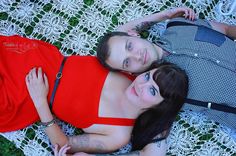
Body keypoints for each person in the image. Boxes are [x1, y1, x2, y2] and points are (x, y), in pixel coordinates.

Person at [0, 35, 188, 155]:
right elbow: (121, 39)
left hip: (26, 94)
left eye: (152, 90)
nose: (141, 84)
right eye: (147, 76)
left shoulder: (119, 134)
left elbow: (64, 145)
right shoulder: (128, 69)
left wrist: (40, 101)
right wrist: (163, 15)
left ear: (160, 106)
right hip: (40, 58)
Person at [96, 7, 236, 131]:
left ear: (133, 34)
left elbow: (226, 30)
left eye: (129, 46)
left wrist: (165, 15)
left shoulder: (179, 24)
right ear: (128, 72)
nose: (136, 56)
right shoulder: (161, 94)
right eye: (127, 62)